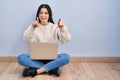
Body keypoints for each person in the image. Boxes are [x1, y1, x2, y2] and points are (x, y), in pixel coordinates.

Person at [18, 4, 71, 77]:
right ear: (38, 15)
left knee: (66, 57)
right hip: (37, 58)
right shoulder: (34, 26)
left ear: (49, 15)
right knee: (21, 58)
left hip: (52, 58)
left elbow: (66, 40)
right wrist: (32, 27)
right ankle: (52, 68)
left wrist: (62, 28)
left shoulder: (54, 27)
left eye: (46, 13)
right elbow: (25, 38)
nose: (43, 15)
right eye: (41, 13)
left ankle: (36, 71)